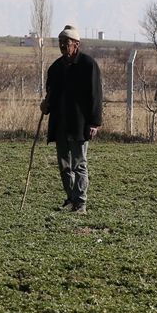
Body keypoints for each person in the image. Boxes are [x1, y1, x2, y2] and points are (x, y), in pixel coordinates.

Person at [40, 25, 102, 214]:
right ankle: (71, 198)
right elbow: (51, 94)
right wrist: (45, 106)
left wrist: (94, 122)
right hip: (60, 123)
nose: (62, 46)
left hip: (79, 123)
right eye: (60, 43)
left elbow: (96, 96)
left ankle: (80, 203)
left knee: (79, 164)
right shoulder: (56, 68)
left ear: (76, 44)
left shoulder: (88, 65)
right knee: (64, 165)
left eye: (66, 42)